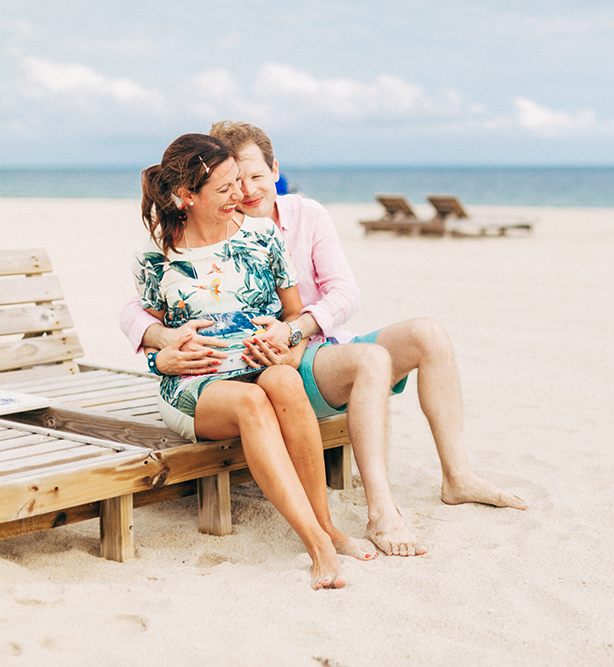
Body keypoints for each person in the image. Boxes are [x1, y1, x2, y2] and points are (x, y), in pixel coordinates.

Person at [121, 121, 527, 557]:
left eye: (254, 177)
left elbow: (338, 294)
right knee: (347, 367)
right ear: (193, 193)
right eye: (231, 183)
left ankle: (449, 480)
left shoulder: (295, 221)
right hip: (239, 371)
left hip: (306, 351)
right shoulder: (174, 245)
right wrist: (160, 346)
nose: (245, 192)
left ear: (275, 170)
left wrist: (293, 334)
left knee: (421, 335)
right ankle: (359, 521)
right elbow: (143, 308)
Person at [133, 133, 372, 590]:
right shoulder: (155, 258)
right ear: (187, 196)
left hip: (260, 366)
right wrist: (162, 356)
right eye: (224, 189)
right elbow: (153, 337)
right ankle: (316, 545)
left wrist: (289, 349)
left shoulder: (262, 236)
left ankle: (325, 524)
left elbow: (293, 316)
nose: (240, 195)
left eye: (240, 182)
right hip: (196, 387)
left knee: (283, 382)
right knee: (251, 403)